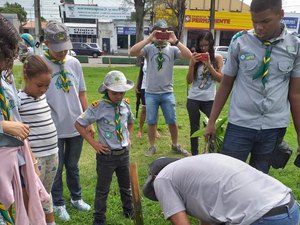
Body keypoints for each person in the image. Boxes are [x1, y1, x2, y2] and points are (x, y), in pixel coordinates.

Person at [205, 0, 300, 173]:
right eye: (254, 21)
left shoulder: (295, 46)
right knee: (228, 176)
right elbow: (226, 84)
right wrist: (211, 121)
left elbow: (295, 95)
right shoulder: (240, 42)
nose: (259, 27)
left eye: (265, 21)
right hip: (240, 124)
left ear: (281, 15)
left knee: (259, 180)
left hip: (273, 127)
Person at [143, 154, 299, 225]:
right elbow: (208, 218)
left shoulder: (162, 178)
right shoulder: (198, 168)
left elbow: (180, 222)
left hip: (260, 218)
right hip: (290, 208)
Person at [0, 14, 49, 225]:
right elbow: (9, 124)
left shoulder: (4, 80)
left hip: (12, 161)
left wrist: (30, 160)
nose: (6, 65)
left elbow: (15, 119)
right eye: (5, 58)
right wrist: (2, 126)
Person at [42, 20, 94, 221]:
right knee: (56, 168)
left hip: (76, 126)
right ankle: (58, 202)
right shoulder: (40, 64)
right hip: (52, 127)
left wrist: (87, 120)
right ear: (46, 43)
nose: (62, 53)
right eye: (58, 50)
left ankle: (76, 197)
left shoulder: (74, 63)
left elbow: (81, 93)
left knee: (73, 165)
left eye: (65, 49)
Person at [75, 71, 135, 225]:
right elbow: (79, 124)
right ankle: (99, 219)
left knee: (126, 187)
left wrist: (129, 137)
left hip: (123, 154)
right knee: (102, 190)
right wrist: (94, 144)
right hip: (106, 156)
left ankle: (129, 211)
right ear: (107, 90)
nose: (119, 96)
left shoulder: (126, 104)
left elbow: (130, 121)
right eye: (115, 93)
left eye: (122, 93)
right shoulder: (98, 107)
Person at [130, 19, 192, 156]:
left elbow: (189, 56)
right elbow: (132, 52)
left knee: (172, 120)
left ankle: (175, 145)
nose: (161, 35)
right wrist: (148, 39)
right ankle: (152, 146)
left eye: (164, 32)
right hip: (151, 93)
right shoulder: (148, 48)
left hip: (167, 92)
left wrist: (175, 40)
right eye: (158, 32)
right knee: (151, 121)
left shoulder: (172, 49)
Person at [18, 55, 58, 225]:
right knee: (34, 195)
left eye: (47, 86)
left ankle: (50, 222)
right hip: (36, 158)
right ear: (27, 77)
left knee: (47, 193)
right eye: (40, 85)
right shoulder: (18, 100)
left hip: (53, 154)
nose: (43, 90)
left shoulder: (42, 97)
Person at [186, 31, 223, 155]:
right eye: (201, 45)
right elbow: (189, 80)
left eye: (206, 45)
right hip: (193, 98)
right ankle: (194, 155)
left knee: (213, 127)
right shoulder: (195, 57)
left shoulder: (217, 58)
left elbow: (220, 79)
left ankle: (211, 153)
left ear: (211, 44)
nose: (203, 48)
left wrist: (209, 65)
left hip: (209, 99)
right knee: (194, 128)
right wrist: (192, 64)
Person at [135, 57, 160, 138]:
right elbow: (140, 74)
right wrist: (137, 85)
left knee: (155, 109)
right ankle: (140, 130)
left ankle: (155, 130)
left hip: (155, 87)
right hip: (144, 87)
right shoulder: (144, 59)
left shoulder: (158, 58)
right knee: (144, 109)